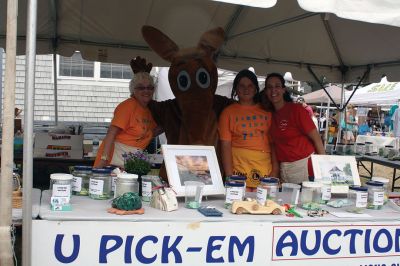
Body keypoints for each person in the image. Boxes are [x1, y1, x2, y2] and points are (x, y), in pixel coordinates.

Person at [219, 69, 277, 191]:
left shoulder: (267, 111)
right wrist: (230, 176)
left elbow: (274, 144)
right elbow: (225, 145)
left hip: (264, 168)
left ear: (256, 88)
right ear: (236, 88)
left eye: (250, 85)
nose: (246, 89)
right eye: (242, 86)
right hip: (238, 169)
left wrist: (275, 171)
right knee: (239, 205)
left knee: (262, 206)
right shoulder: (227, 113)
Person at [263, 73, 325, 184]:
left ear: (283, 90)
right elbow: (275, 148)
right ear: (266, 91)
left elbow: (317, 139)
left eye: (277, 86)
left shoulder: (296, 110)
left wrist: (323, 168)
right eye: (269, 87)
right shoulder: (269, 115)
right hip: (285, 168)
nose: (273, 90)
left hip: (304, 165)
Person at [94, 72, 158, 168]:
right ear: (133, 90)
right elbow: (111, 133)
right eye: (141, 88)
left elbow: (149, 133)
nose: (146, 91)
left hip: (131, 162)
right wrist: (104, 159)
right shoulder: (127, 106)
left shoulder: (149, 110)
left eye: (150, 87)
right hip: (112, 161)